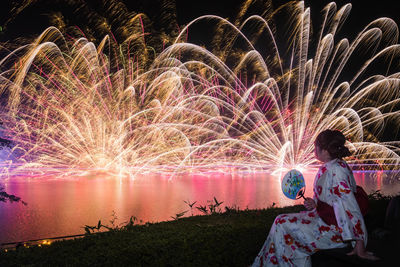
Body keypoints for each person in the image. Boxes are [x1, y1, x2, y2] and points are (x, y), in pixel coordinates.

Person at [251, 129, 379, 266]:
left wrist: (360, 246)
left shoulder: (336, 171)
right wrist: (315, 204)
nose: (313, 150)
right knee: (280, 222)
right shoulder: (334, 165)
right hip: (324, 220)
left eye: (315, 147)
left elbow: (351, 208)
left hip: (334, 232)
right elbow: (332, 199)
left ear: (324, 151)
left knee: (281, 225)